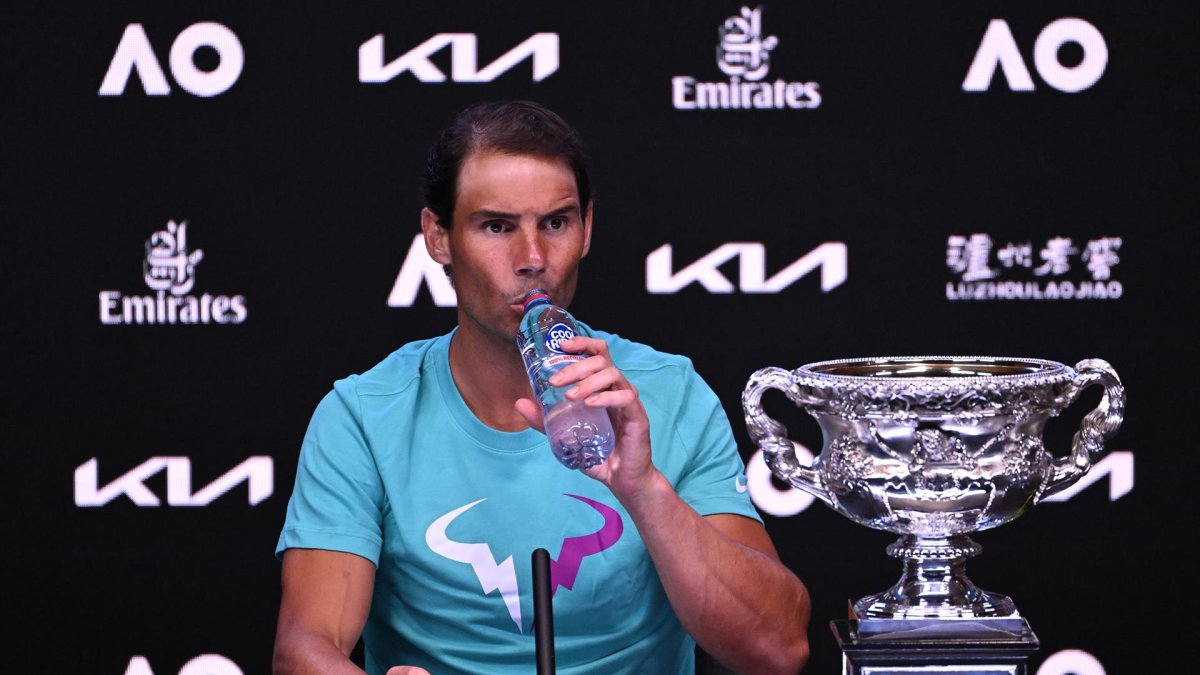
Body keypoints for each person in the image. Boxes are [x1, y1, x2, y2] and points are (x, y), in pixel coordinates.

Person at [272, 100, 811, 675]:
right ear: (438, 236)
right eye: (497, 226)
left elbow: (777, 651)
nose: (533, 259)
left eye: (556, 222)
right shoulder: (364, 415)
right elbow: (304, 648)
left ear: (587, 230)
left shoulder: (668, 391)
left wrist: (645, 489)